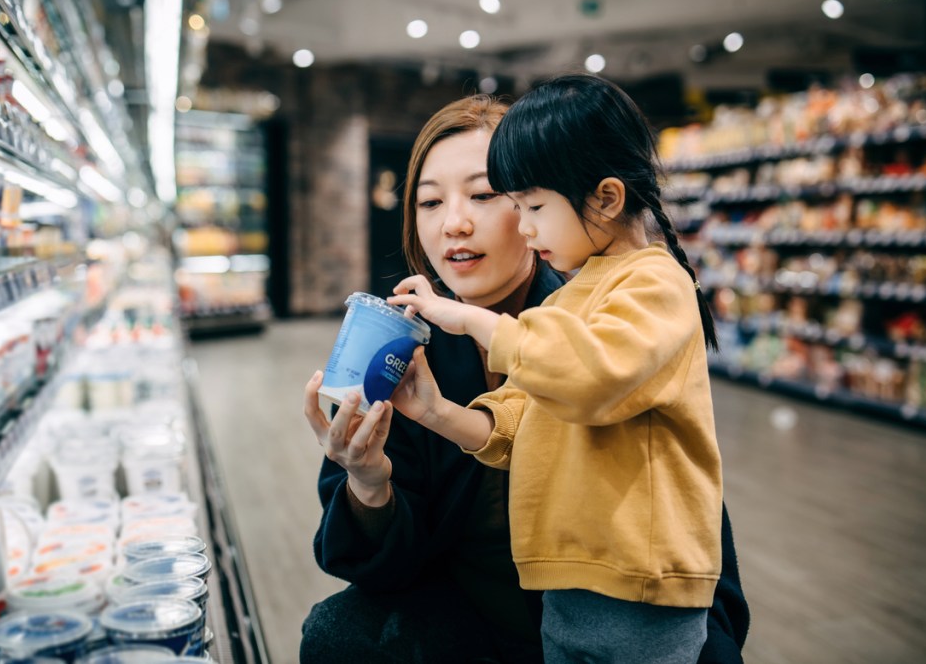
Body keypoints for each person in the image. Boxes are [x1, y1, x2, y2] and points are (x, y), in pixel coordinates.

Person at [302, 92, 749, 663]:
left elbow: (700, 538)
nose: (454, 223)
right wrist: (368, 482)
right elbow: (375, 567)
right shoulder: (403, 350)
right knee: (338, 632)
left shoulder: (602, 315)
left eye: (488, 195)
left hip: (623, 607)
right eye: (430, 201)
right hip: (480, 624)